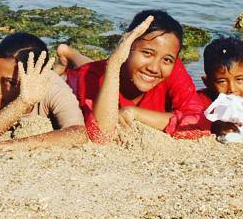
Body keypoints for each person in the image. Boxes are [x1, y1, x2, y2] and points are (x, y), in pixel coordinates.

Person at [75, 10, 208, 143]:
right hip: (75, 78)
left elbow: (201, 121)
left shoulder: (172, 68)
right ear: (126, 47)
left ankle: (69, 54)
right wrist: (114, 63)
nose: (154, 68)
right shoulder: (90, 76)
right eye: (147, 53)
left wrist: (135, 113)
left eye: (167, 59)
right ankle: (68, 54)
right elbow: (101, 134)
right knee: (86, 67)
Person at [0, 33, 87, 149]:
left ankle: (68, 54)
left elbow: (78, 133)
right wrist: (23, 102)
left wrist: (17, 144)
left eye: (10, 82)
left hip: (71, 83)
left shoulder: (53, 87)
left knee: (88, 77)